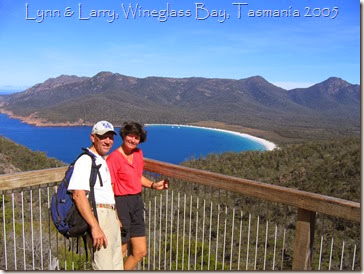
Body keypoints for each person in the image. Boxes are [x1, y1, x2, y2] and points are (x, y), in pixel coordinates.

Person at [106, 121, 168, 270]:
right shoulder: (113, 158)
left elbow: (137, 177)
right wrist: (115, 215)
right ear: (123, 136)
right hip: (120, 203)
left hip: (136, 202)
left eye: (137, 137)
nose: (133, 140)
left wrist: (153, 185)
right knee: (120, 251)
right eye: (130, 136)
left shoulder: (138, 154)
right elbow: (110, 188)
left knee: (140, 251)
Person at [67, 120, 123, 270]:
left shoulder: (101, 160)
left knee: (116, 264)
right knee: (104, 266)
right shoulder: (85, 161)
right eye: (103, 137)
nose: (108, 141)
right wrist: (95, 227)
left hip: (109, 215)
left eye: (111, 137)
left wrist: (116, 218)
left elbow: (106, 192)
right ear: (93, 137)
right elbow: (78, 195)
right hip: (100, 216)